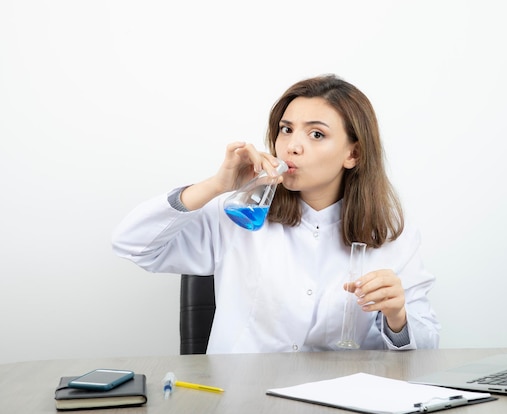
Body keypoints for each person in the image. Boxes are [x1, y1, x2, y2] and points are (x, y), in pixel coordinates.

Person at [112, 74, 440, 353]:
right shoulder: (239, 214)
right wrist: (215, 185)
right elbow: (131, 244)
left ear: (353, 153)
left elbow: (427, 346)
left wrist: (398, 317)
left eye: (316, 134)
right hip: (242, 400)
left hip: (342, 400)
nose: (292, 146)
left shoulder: (391, 235)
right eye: (286, 129)